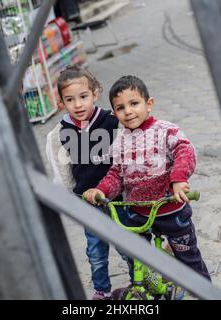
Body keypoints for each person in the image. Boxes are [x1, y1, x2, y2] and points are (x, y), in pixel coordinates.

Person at [83, 75, 211, 290]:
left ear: (148, 104)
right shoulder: (119, 142)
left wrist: (178, 179)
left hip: (170, 209)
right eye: (121, 108)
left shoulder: (164, 130)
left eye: (134, 103)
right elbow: (117, 174)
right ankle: (147, 288)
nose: (128, 111)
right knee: (137, 257)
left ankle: (206, 291)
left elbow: (184, 150)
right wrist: (101, 190)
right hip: (137, 212)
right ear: (115, 114)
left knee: (188, 258)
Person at [46, 65, 129, 300]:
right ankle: (101, 290)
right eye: (70, 100)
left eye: (83, 97)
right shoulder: (60, 133)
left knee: (127, 245)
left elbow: (128, 152)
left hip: (118, 199)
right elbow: (62, 168)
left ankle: (138, 282)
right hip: (88, 201)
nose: (78, 104)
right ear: (61, 103)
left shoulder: (112, 122)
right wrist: (72, 194)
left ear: (95, 93)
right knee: (95, 250)